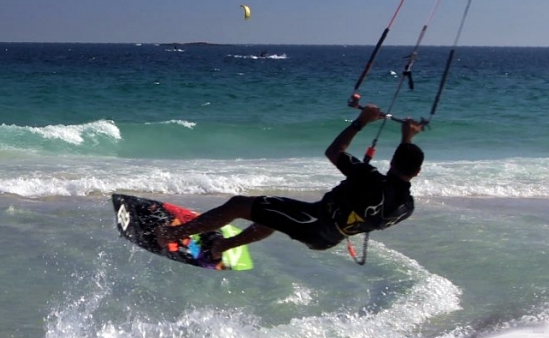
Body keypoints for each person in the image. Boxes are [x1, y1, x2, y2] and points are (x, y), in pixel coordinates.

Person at [154, 104, 423, 259]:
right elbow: (397, 179)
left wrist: (360, 122)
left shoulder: (370, 179)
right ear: (418, 172)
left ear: (391, 162)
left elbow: (334, 152)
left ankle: (170, 235)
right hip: (331, 237)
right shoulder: (406, 207)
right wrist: (407, 139)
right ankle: (220, 246)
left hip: (315, 223)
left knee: (238, 205)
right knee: (273, 216)